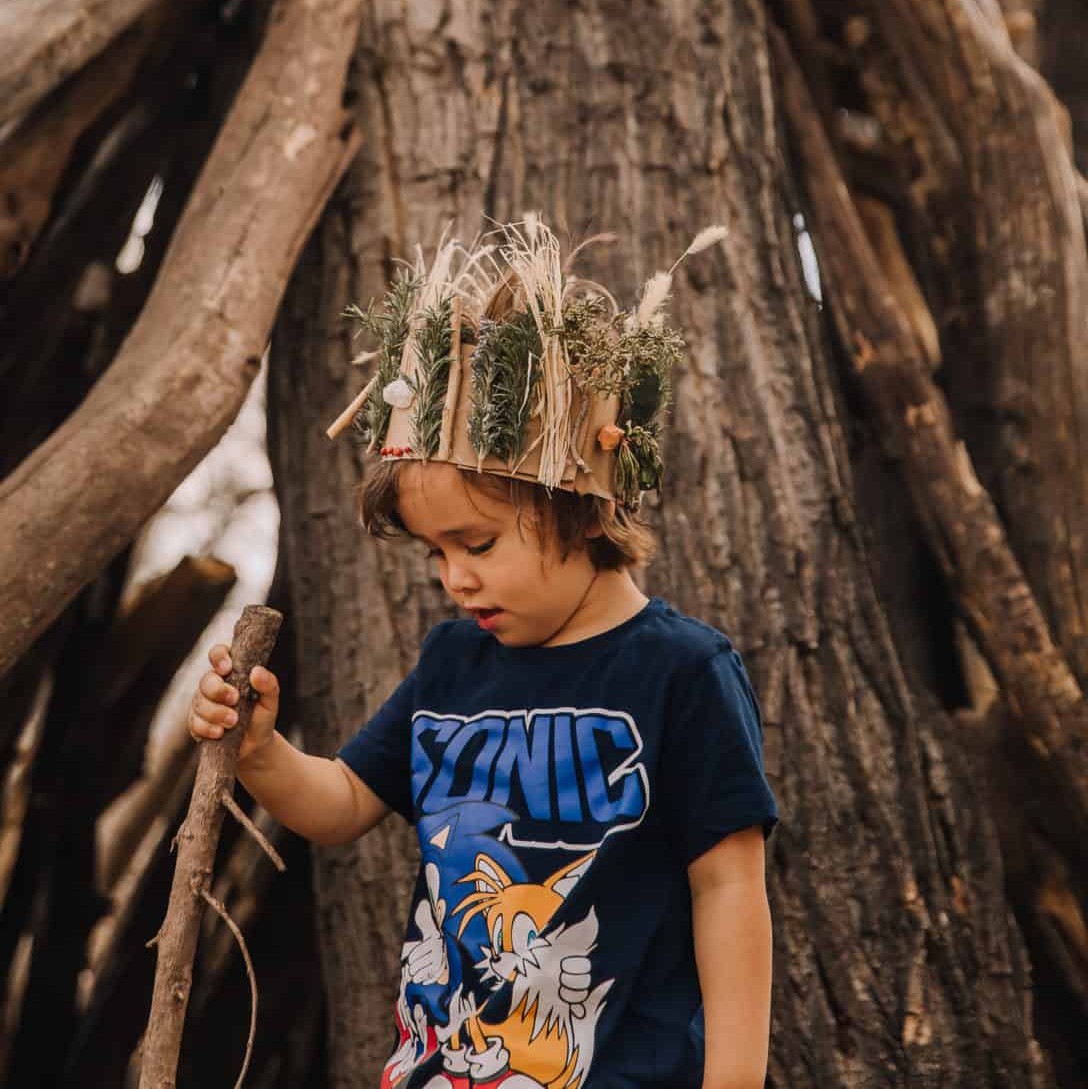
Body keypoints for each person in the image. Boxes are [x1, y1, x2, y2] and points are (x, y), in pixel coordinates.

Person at [191, 218, 777, 1088]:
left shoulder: (681, 672)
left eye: (477, 543)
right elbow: (345, 802)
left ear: (578, 511)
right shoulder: (453, 663)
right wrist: (260, 752)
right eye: (435, 553)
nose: (453, 579)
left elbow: (729, 891)